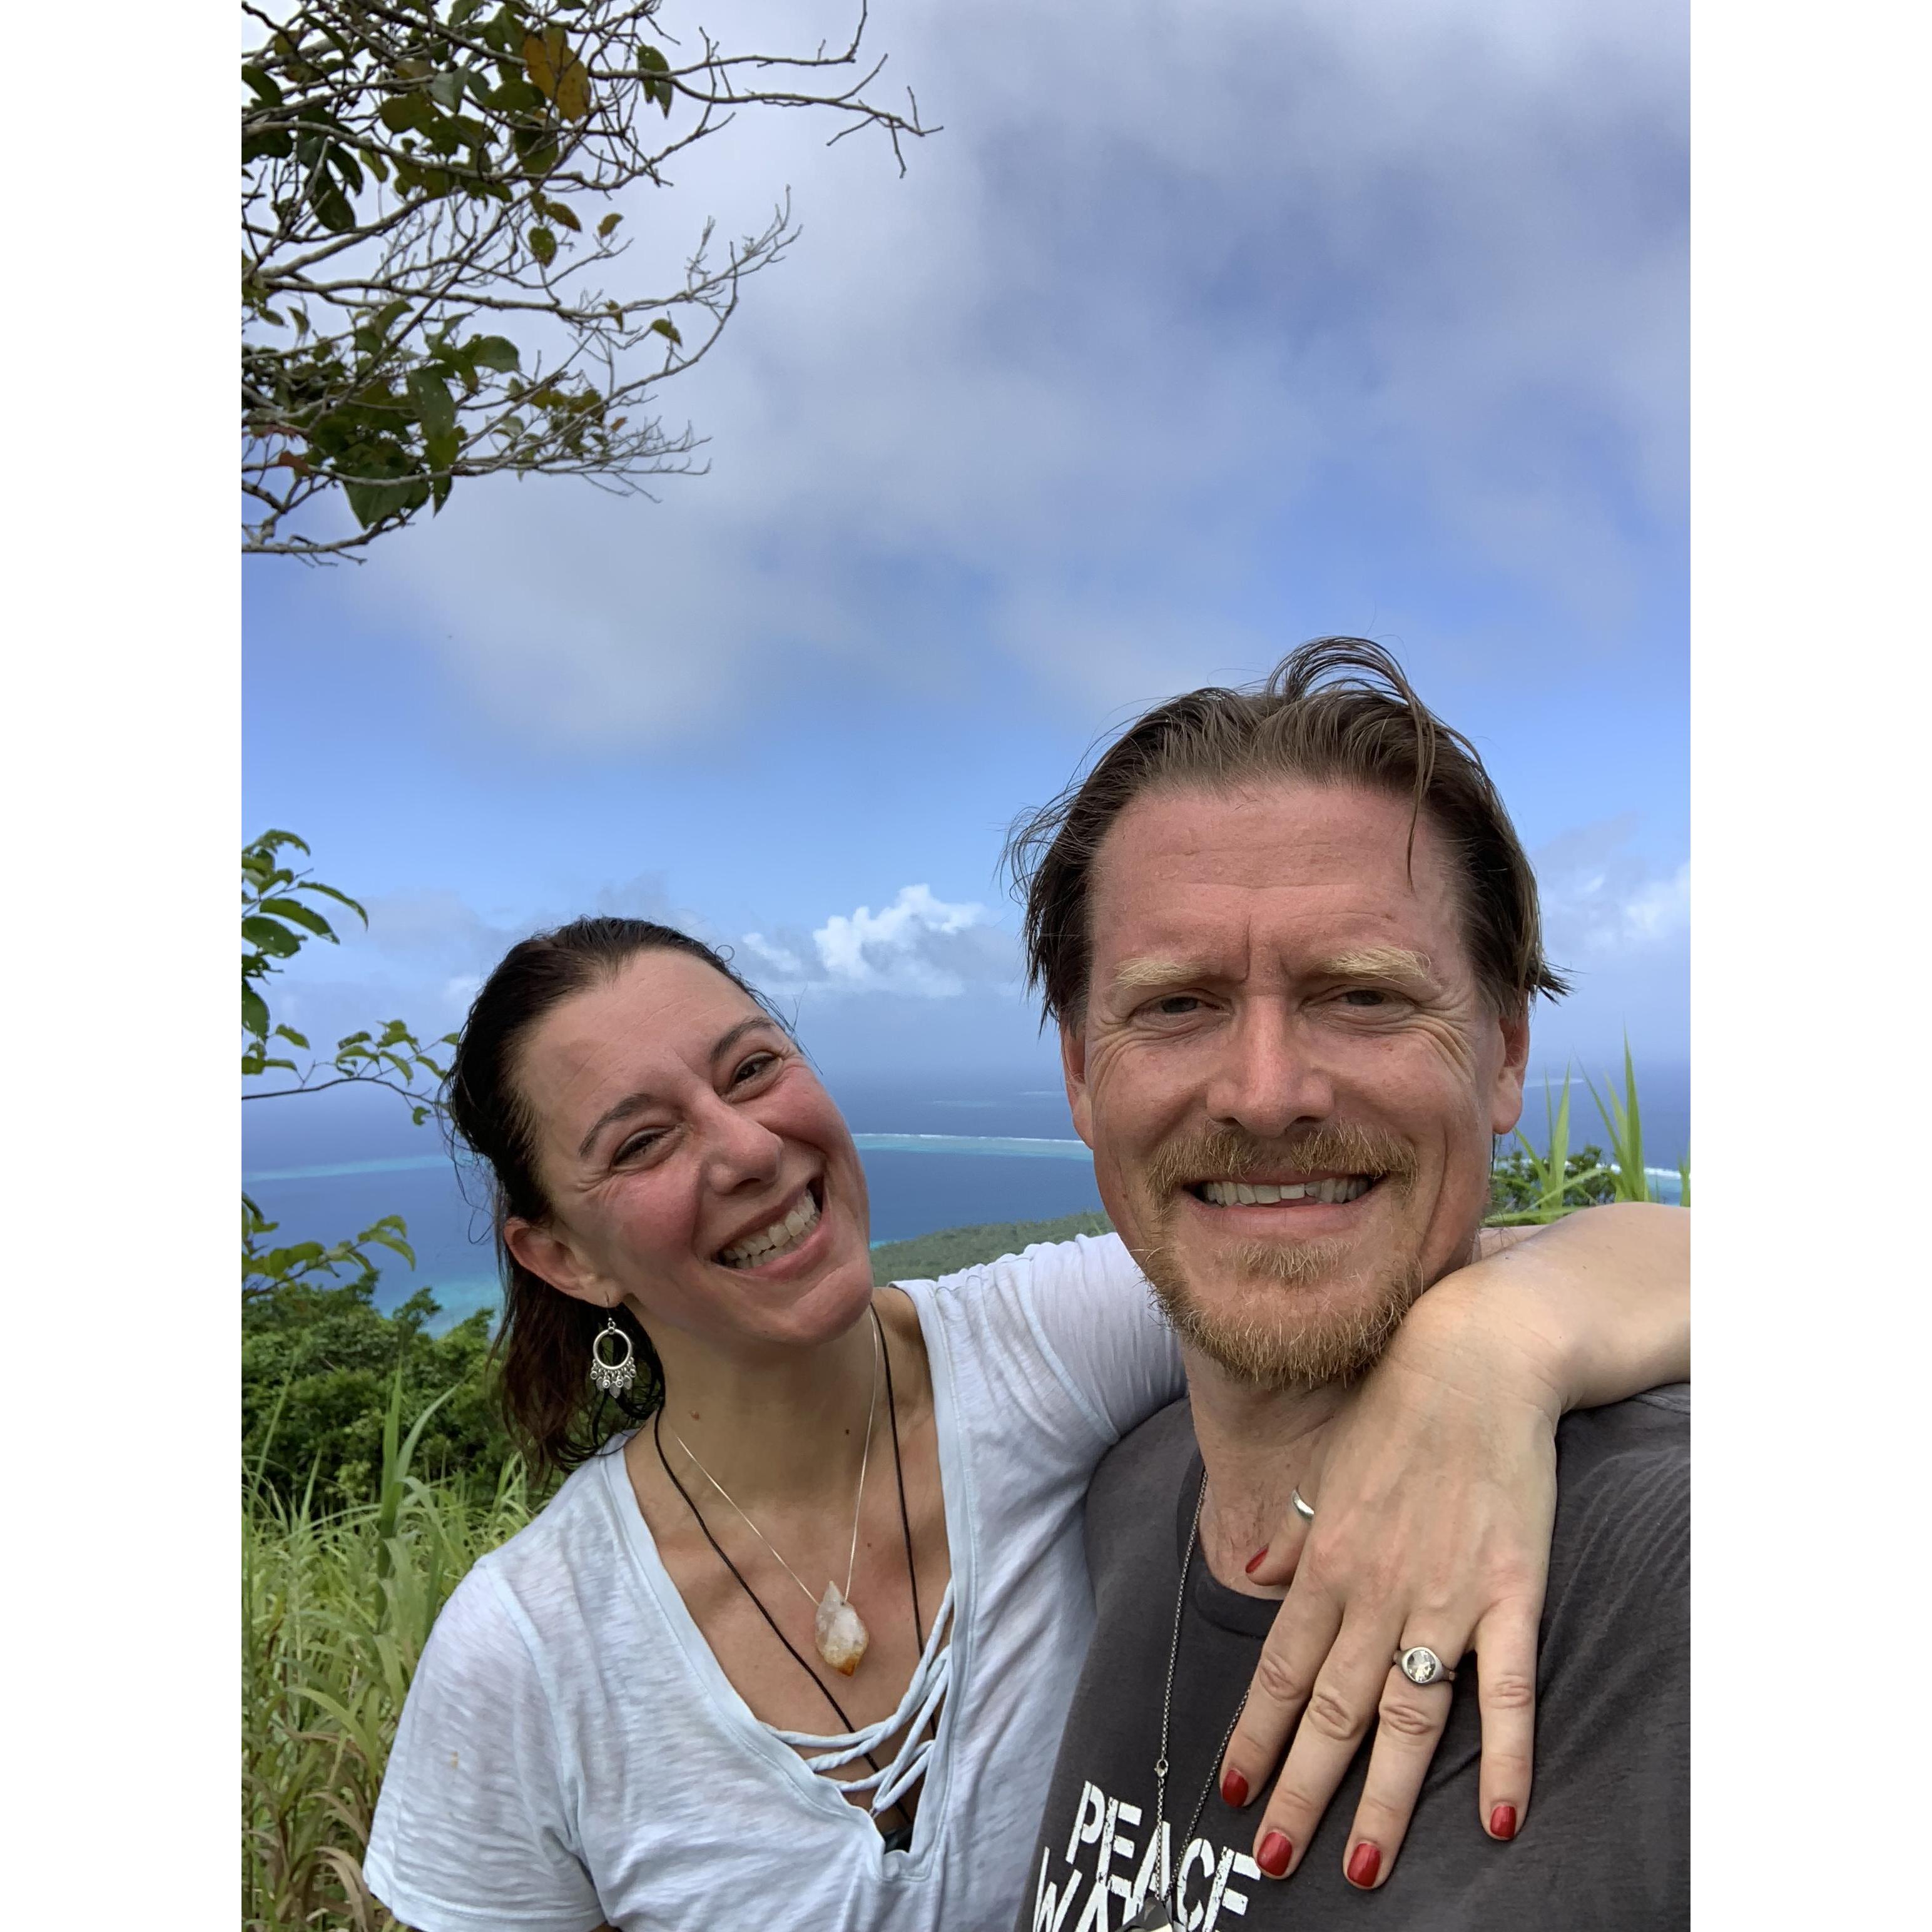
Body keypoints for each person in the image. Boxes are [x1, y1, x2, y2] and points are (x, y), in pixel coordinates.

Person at [362, 831, 1687, 1926]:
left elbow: (1549, 1251)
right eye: (644, 1139)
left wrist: (1489, 1346)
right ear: (557, 1252)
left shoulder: (1035, 1347)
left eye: (754, 1067)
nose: (745, 1147)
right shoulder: (529, 1651)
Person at [1013, 637, 1689, 1930]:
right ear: (1080, 1078)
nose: (1266, 1092)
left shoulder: (1684, 1583)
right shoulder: (1120, 1497)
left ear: (1501, 1054)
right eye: (1173, 1005)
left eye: (1361, 994)